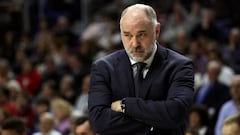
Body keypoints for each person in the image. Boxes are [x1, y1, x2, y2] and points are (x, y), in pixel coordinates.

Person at [88, 4, 194, 135]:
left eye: (141, 35)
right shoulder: (104, 67)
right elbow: (98, 121)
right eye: (127, 35)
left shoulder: (180, 66)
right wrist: (155, 125)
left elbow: (175, 113)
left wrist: (126, 105)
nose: (135, 44)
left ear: (157, 31)